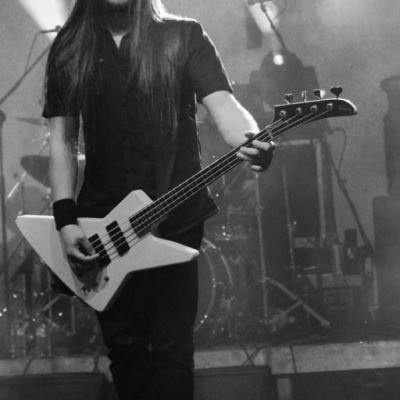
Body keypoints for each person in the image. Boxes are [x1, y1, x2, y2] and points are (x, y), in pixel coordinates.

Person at [43, 0, 274, 399]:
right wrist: (66, 220)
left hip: (176, 216)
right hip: (105, 227)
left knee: (172, 349)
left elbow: (224, 105)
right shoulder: (70, 46)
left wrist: (251, 140)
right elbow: (63, 140)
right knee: (125, 353)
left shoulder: (182, 36)